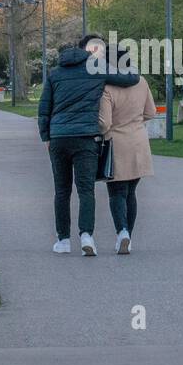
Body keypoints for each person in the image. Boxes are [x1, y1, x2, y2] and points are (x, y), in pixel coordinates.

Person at [38, 34, 139, 256]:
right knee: (86, 190)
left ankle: (63, 241)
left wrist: (46, 137)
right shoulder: (97, 70)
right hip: (86, 138)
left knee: (62, 191)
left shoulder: (55, 74)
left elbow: (44, 109)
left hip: (58, 137)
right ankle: (87, 237)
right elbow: (131, 79)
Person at [98, 49, 158, 255]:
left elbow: (105, 123)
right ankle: (128, 237)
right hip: (139, 142)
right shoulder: (141, 82)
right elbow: (151, 112)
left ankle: (122, 232)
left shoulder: (106, 87)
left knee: (116, 192)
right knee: (131, 192)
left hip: (116, 144)